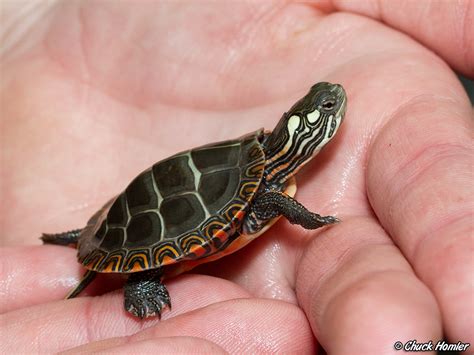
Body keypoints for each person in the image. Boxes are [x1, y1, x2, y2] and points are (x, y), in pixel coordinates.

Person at [1, 1, 472, 353]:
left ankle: (96, 241)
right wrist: (308, 218)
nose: (333, 103)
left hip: (177, 193)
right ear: (302, 127)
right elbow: (275, 204)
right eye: (324, 108)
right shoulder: (266, 185)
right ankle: (140, 279)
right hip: (150, 225)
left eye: (325, 106)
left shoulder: (264, 167)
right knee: (157, 264)